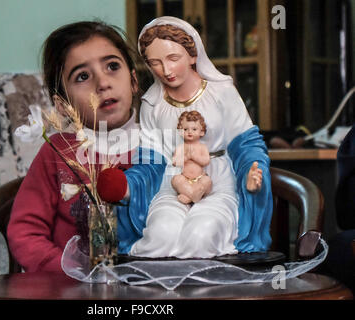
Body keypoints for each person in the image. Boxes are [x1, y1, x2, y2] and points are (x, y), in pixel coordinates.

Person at [98, 17, 272, 259]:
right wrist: (130, 186)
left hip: (218, 181)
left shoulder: (222, 93)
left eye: (173, 59)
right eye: (155, 63)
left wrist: (252, 173)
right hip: (172, 180)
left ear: (193, 55)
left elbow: (246, 144)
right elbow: (151, 160)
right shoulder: (152, 103)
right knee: (161, 234)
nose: (166, 71)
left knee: (201, 234)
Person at [7, 21, 165, 273]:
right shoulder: (57, 153)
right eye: (83, 76)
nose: (102, 83)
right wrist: (70, 270)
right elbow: (25, 232)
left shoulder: (162, 145)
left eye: (112, 66)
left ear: (134, 81)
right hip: (73, 291)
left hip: (154, 284)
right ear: (62, 105)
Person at [171, 111, 212, 204]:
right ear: (180, 131)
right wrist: (185, 157)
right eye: (185, 129)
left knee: (207, 181)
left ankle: (188, 196)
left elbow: (206, 161)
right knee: (176, 180)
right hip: (185, 179)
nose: (189, 132)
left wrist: (194, 156)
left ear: (201, 132)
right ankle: (194, 195)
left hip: (200, 178)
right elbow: (174, 162)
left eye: (194, 129)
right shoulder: (181, 147)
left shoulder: (202, 147)